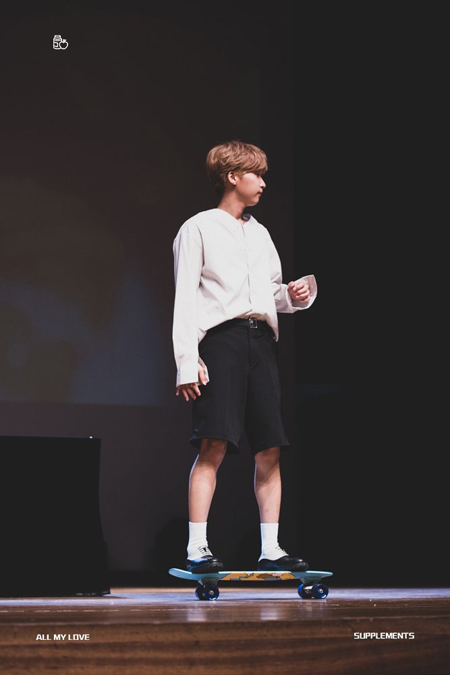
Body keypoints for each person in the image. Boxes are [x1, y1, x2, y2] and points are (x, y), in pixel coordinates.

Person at [172, 140, 317, 573]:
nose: (263, 183)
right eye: (257, 174)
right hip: (222, 343)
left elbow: (269, 293)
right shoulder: (198, 228)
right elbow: (185, 299)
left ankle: (271, 548)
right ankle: (197, 547)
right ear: (233, 176)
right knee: (213, 444)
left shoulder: (260, 233)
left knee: (270, 448)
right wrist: (187, 360)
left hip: (261, 343)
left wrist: (292, 295)